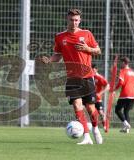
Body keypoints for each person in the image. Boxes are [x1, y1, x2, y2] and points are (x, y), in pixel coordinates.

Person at [40, 9, 102, 144]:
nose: (73, 22)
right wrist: (50, 60)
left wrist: (88, 49)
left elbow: (98, 50)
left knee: (91, 108)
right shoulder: (60, 37)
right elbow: (57, 55)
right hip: (72, 78)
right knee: (76, 105)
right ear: (67, 20)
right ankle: (86, 136)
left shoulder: (87, 34)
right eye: (71, 20)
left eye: (76, 20)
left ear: (79, 21)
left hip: (87, 76)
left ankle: (95, 128)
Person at [114, 57, 134, 133]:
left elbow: (121, 82)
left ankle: (126, 124)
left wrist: (115, 89)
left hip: (125, 95)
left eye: (121, 62)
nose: (120, 64)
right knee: (126, 111)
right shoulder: (133, 72)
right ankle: (126, 130)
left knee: (117, 110)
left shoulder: (122, 71)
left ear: (124, 63)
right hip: (133, 96)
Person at [92, 64, 109, 132]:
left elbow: (107, 86)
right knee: (89, 112)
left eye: (92, 69)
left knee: (101, 113)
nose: (91, 71)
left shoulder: (99, 77)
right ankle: (90, 126)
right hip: (89, 98)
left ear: (96, 70)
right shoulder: (89, 76)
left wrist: (100, 93)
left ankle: (104, 126)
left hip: (97, 99)